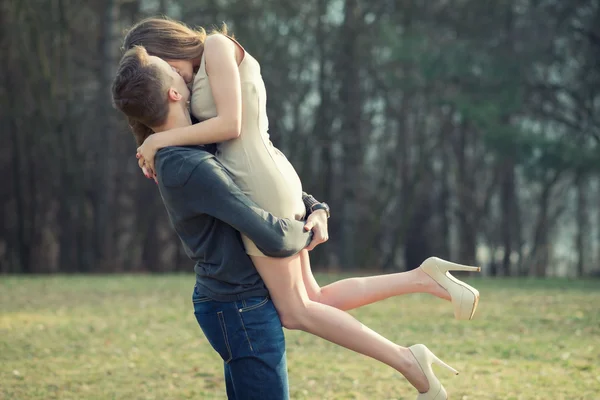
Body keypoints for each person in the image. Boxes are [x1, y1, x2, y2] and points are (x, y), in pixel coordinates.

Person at [113, 18, 481, 400]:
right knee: (314, 300)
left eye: (161, 65)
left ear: (169, 46)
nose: (170, 77)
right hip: (259, 177)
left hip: (258, 180)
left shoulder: (217, 48)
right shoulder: (194, 86)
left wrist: (162, 141)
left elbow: (233, 126)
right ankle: (423, 279)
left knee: (295, 311)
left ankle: (408, 360)